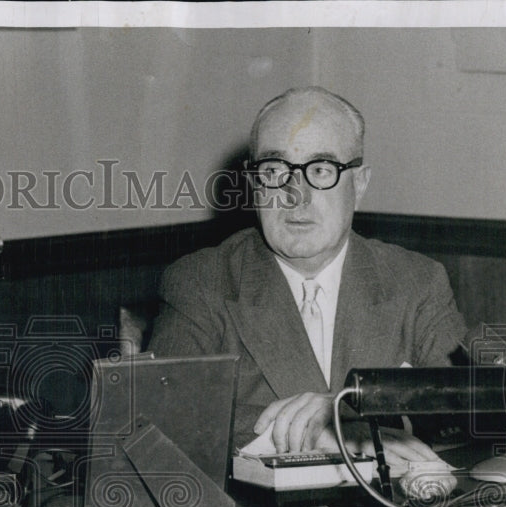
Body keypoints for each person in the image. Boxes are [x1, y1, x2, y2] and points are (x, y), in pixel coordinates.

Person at [149, 87, 467, 464]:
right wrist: (322, 433)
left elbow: (461, 405)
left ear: (359, 184)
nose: (294, 195)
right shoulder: (202, 282)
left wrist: (350, 422)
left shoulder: (416, 280)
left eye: (320, 170)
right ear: (254, 186)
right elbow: (164, 419)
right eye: (274, 171)